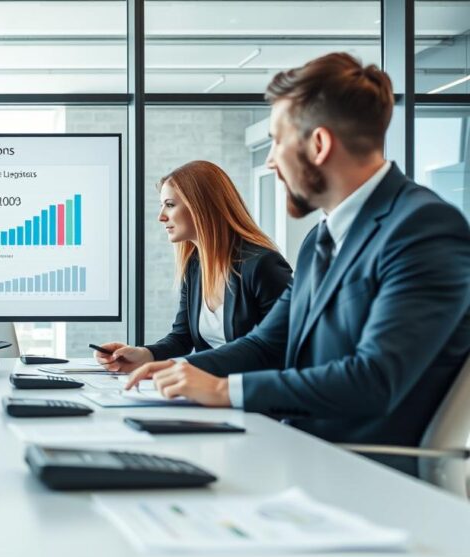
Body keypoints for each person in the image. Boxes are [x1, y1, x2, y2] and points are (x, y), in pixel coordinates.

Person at [125, 52, 470, 474]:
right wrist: (175, 370)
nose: (270, 160)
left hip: (363, 471)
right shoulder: (319, 240)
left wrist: (224, 389)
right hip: (296, 449)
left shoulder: (423, 229)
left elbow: (374, 378)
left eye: (276, 140)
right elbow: (266, 343)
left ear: (319, 145)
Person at [96, 160, 292, 372]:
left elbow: (280, 349)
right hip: (208, 391)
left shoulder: (263, 265)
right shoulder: (195, 266)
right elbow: (182, 338)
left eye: (170, 205)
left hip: (249, 395)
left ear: (202, 206)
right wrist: (143, 354)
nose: (161, 217)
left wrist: (181, 368)